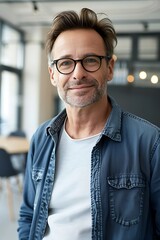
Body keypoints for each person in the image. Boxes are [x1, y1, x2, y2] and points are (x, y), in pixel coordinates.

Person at [18, 7, 160, 240]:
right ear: (53, 74)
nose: (78, 73)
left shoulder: (150, 143)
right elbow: (27, 214)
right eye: (65, 63)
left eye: (90, 60)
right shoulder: (41, 138)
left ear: (110, 68)